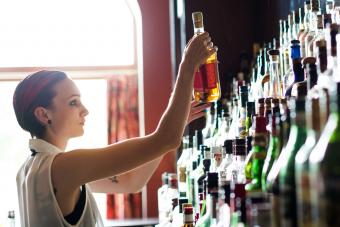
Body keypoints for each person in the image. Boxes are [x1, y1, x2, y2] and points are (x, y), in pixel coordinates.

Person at [13, 32, 216, 226]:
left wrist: (178, 122)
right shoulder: (63, 167)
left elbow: (132, 182)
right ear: (43, 114)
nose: (85, 111)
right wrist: (188, 66)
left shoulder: (33, 169)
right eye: (73, 103)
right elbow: (166, 139)